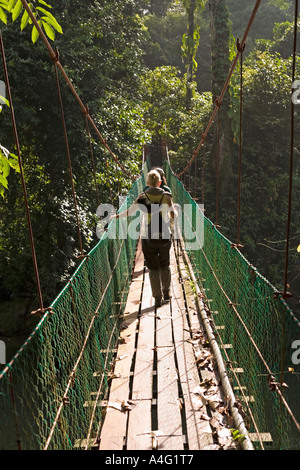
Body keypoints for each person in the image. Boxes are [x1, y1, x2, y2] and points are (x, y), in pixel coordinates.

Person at [111, 169, 176, 308]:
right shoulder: (166, 196)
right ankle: (166, 293)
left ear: (147, 183)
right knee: (165, 265)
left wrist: (116, 216)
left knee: (153, 268)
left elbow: (129, 212)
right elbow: (173, 216)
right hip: (165, 235)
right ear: (160, 182)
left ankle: (157, 298)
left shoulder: (142, 197)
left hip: (148, 237)